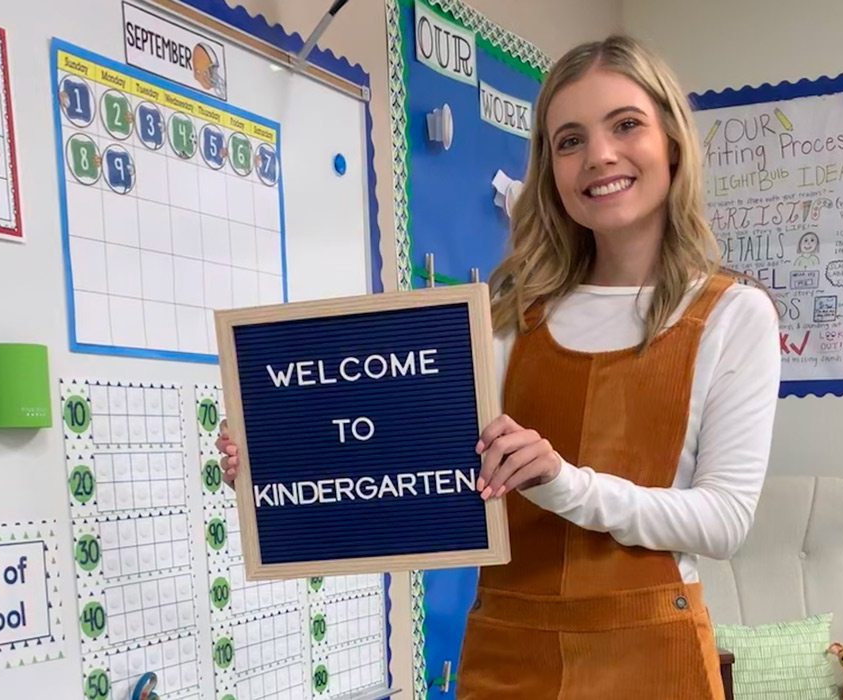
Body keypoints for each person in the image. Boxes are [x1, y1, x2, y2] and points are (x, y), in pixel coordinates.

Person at [217, 33, 780, 700]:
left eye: (625, 125)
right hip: (507, 654)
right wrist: (281, 466)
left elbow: (723, 521)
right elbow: (408, 464)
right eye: (569, 140)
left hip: (652, 659)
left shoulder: (733, 314)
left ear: (672, 141)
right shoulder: (508, 316)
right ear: (550, 169)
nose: (599, 155)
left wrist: (564, 482)